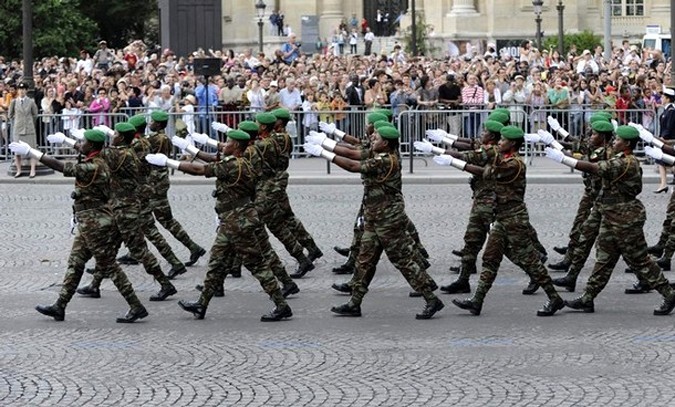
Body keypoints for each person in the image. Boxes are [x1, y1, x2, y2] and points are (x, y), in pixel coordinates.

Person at [147, 129, 293, 322]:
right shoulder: (240, 163)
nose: (225, 145)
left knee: (257, 265)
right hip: (232, 220)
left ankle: (282, 305)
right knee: (216, 263)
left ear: (238, 147)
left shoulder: (234, 165)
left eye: (229, 142)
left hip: (238, 222)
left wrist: (168, 162)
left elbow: (200, 170)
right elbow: (213, 164)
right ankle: (201, 304)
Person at [304, 125, 443, 319]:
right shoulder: (379, 153)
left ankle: (431, 299)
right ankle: (354, 303)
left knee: (402, 261)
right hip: (374, 216)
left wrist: (323, 152)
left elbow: (353, 166)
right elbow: (352, 153)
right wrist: (326, 143)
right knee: (365, 261)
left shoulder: (387, 161)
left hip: (388, 219)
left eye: (376, 138)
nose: (372, 139)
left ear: (385, 143)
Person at [10, 129, 147, 323]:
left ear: (91, 146)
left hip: (96, 223)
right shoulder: (98, 160)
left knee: (109, 265)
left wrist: (32, 152)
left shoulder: (93, 166)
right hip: (88, 220)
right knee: (76, 262)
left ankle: (136, 306)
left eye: (83, 142)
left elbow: (60, 166)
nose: (80, 144)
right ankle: (60, 306)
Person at [434, 126, 564, 317]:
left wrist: (454, 163)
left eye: (503, 140)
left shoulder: (514, 164)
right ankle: (477, 301)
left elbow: (485, 173)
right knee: (490, 258)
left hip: (515, 219)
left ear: (512, 143)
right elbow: (478, 155)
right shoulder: (502, 158)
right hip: (502, 217)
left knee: (530, 261)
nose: (500, 142)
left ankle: (554, 298)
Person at [545, 126, 675, 315]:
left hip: (625, 217)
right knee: (604, 258)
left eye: (618, 140)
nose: (614, 142)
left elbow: (593, 167)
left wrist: (563, 159)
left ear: (627, 144)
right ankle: (588, 298)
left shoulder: (626, 163)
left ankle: (669, 294)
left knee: (640, 260)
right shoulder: (619, 159)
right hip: (611, 214)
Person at [8, 82, 38, 178]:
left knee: (32, 150)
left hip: (29, 128)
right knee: (17, 151)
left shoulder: (30, 101)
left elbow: (35, 114)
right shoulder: (14, 101)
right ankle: (18, 170)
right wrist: (18, 120)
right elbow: (10, 114)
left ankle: (32, 170)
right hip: (18, 128)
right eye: (20, 89)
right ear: (18, 90)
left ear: (26, 90)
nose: (22, 91)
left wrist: (29, 121)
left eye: (24, 89)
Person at [654, 87, 675, 193]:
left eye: (663, 96)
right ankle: (663, 184)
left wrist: (664, 137)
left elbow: (669, 126)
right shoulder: (667, 110)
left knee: (670, 162)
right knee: (661, 160)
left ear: (668, 98)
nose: (661, 98)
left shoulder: (671, 110)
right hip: (664, 139)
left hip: (669, 140)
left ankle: (664, 184)